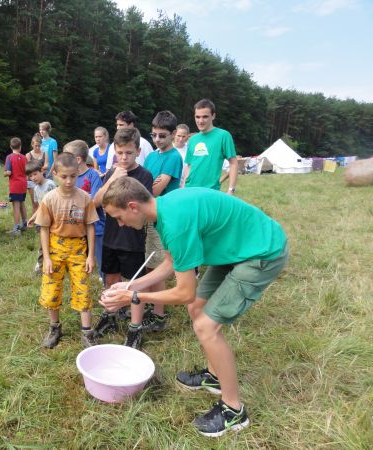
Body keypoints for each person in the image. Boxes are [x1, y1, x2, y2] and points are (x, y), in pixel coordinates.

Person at [99, 177, 289, 437]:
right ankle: (213, 376)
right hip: (233, 248)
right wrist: (130, 287)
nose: (120, 224)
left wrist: (134, 298)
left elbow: (185, 292)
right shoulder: (163, 210)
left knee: (206, 327)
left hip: (262, 252)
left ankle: (234, 410)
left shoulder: (174, 222)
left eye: (118, 217)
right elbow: (171, 263)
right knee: (197, 309)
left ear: (132, 206)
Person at [91, 127, 153, 344]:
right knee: (110, 277)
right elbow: (96, 201)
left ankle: (135, 327)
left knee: (136, 282)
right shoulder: (111, 173)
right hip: (110, 236)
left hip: (133, 239)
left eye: (128, 152)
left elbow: (136, 206)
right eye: (119, 153)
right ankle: (110, 315)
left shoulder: (144, 175)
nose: (124, 158)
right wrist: (113, 178)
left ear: (137, 151)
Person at [34, 152, 99, 349]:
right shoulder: (49, 199)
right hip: (55, 247)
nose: (69, 181)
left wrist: (90, 255)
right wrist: (46, 258)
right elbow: (44, 229)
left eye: (73, 176)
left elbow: (90, 226)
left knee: (83, 289)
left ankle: (87, 332)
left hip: (78, 248)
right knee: (51, 288)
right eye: (64, 176)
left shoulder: (85, 198)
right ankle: (55, 327)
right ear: (55, 174)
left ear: (79, 172)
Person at [132, 110, 183, 343]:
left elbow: (154, 189)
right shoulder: (152, 155)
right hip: (148, 216)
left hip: (162, 218)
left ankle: (159, 314)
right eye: (154, 135)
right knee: (149, 266)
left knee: (158, 265)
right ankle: (153, 307)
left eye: (163, 136)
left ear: (173, 134)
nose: (158, 140)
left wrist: (143, 187)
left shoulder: (173, 158)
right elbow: (144, 182)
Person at [62, 139, 105, 282]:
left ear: (78, 159)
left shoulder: (93, 175)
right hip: (75, 226)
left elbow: (95, 201)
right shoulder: (69, 178)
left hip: (95, 225)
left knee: (100, 254)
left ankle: (104, 277)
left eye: (67, 157)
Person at [182, 99, 238, 194]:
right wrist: (183, 188)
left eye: (205, 117)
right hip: (189, 190)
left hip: (210, 191)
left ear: (213, 116)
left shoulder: (223, 136)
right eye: (197, 117)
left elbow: (233, 163)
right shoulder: (192, 139)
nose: (200, 121)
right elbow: (189, 166)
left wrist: (231, 190)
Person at [25, 160, 56, 274]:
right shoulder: (36, 189)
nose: (33, 178)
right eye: (30, 176)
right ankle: (41, 265)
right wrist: (33, 217)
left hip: (54, 222)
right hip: (43, 222)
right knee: (44, 244)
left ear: (42, 171)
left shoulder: (50, 185)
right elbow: (40, 206)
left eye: (35, 174)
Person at [4, 137, 28, 235]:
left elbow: (9, 172)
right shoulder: (24, 157)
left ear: (10, 146)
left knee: (16, 206)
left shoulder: (9, 157)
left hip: (15, 185)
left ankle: (16, 228)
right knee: (22, 204)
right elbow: (27, 170)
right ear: (20, 147)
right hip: (23, 184)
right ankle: (25, 224)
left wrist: (4, 173)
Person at [25, 133, 46, 213]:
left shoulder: (44, 153)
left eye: (39, 146)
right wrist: (41, 168)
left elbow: (46, 165)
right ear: (32, 145)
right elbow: (29, 168)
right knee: (35, 202)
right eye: (35, 145)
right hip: (32, 181)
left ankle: (42, 218)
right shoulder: (28, 155)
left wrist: (43, 168)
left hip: (42, 179)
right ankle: (35, 220)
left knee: (43, 201)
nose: (37, 147)